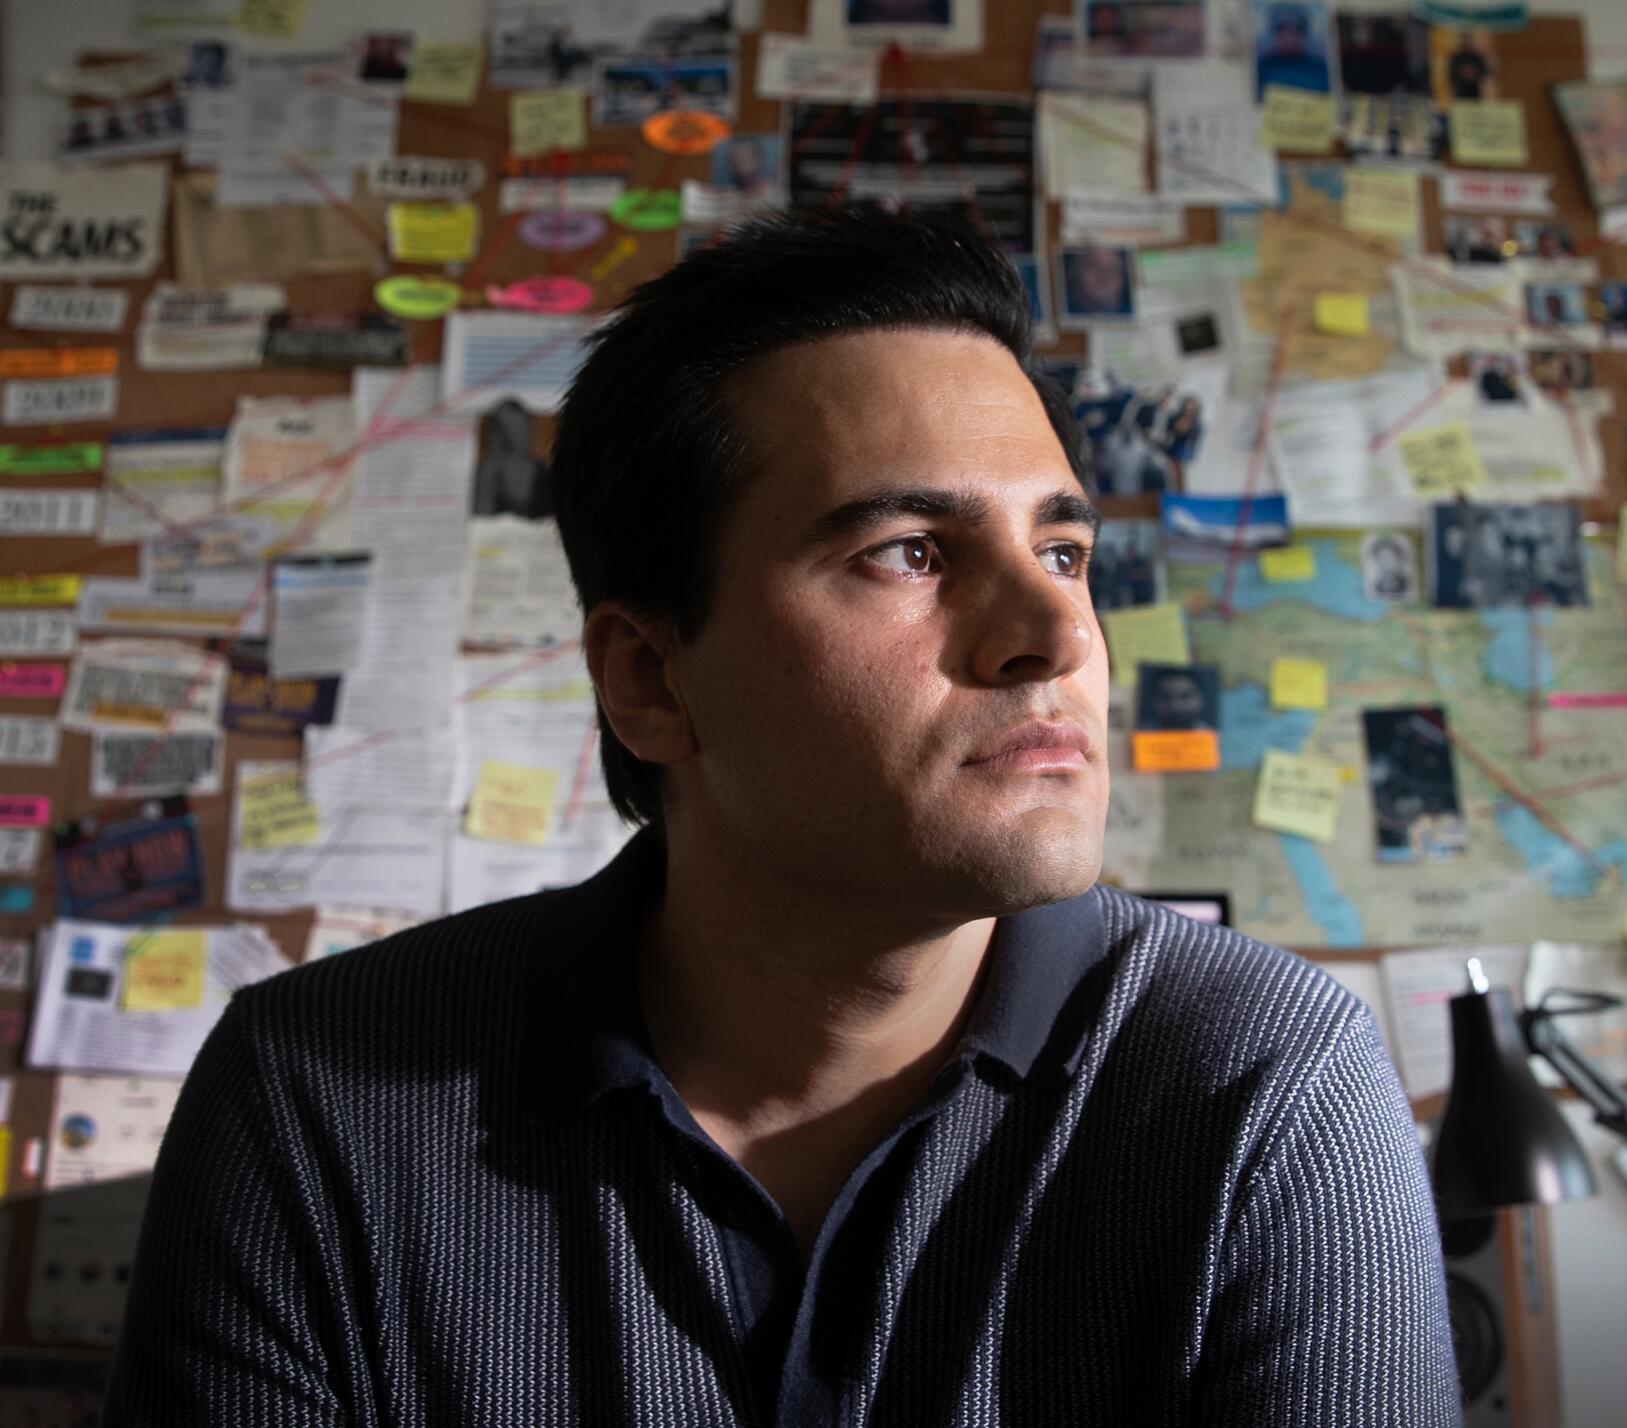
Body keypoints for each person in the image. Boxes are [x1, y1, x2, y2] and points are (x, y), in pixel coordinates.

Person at [102, 207, 1458, 1424]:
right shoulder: (319, 1097)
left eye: (1061, 550)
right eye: (908, 554)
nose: (1056, 632)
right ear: (650, 678)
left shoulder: (1265, 1086)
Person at [1256, 2, 1331, 96]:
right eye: (1281, 28)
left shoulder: (1321, 69)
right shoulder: (1261, 68)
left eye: (1297, 28)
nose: (1289, 35)